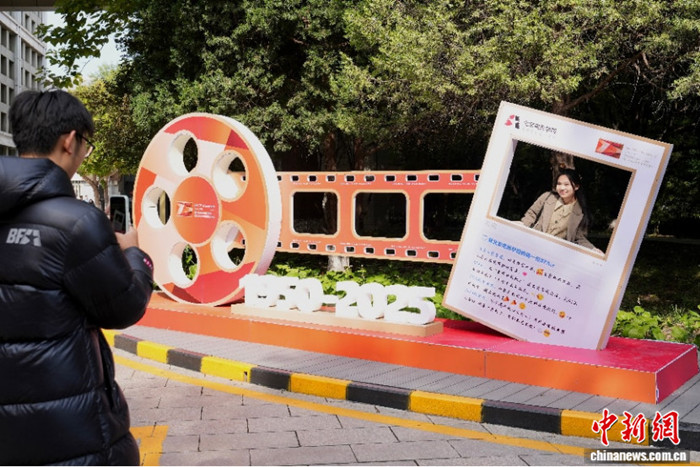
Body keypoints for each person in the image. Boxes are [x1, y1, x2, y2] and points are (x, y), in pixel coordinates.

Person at [0, 90, 153, 465]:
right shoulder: (77, 223)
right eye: (86, 144)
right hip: (71, 433)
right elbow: (125, 306)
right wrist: (135, 254)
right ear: (70, 140)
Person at [520, 167, 598, 250]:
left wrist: (593, 249)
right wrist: (522, 224)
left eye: (566, 184)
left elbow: (579, 238)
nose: (562, 188)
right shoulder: (547, 197)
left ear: (576, 186)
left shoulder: (581, 212)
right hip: (532, 244)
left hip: (555, 252)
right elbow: (531, 213)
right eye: (559, 184)